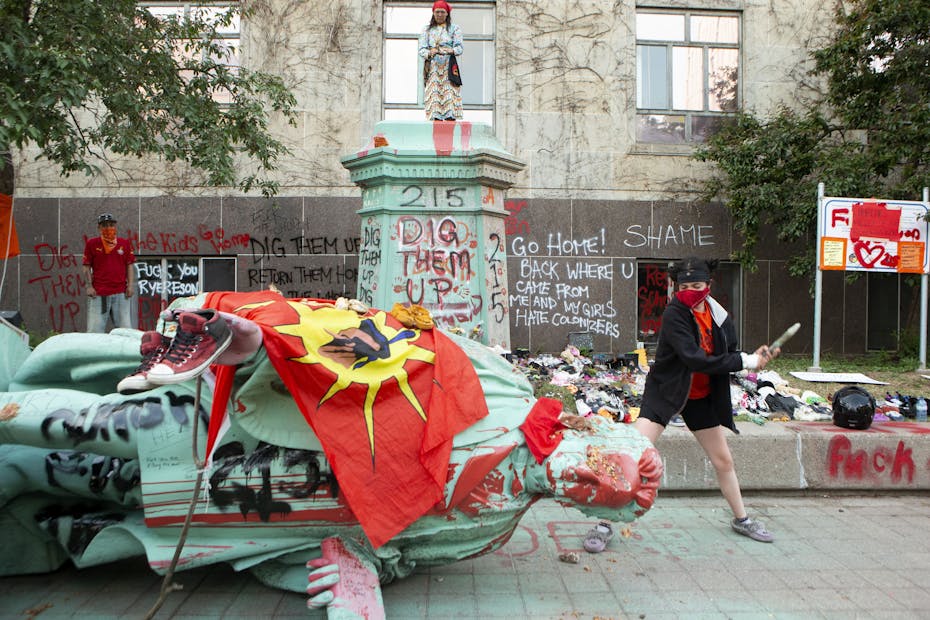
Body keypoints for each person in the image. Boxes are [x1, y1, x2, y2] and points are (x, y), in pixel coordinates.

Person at [583, 257, 779, 552]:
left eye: (697, 286)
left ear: (708, 286)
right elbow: (694, 358)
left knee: (723, 460)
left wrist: (755, 358)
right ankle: (603, 523)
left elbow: (729, 352)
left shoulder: (720, 316)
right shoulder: (674, 313)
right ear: (676, 287)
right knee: (632, 454)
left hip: (700, 397)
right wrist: (745, 361)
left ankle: (742, 519)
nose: (690, 291)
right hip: (666, 392)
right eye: (684, 286)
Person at [82, 212, 136, 332]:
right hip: (99, 293)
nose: (108, 228)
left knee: (125, 330)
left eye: (111, 224)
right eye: (104, 225)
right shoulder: (92, 244)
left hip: (121, 292)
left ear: (115, 226)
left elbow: (130, 265)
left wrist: (130, 286)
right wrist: (89, 286)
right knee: (95, 330)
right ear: (99, 228)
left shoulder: (124, 243)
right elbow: (86, 266)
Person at [418, 1, 463, 121]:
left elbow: (459, 48)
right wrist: (429, 53)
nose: (439, 15)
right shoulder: (426, 30)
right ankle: (435, 115)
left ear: (447, 14)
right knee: (434, 90)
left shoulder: (454, 29)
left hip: (449, 65)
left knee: (449, 89)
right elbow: (421, 49)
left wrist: (448, 51)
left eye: (442, 12)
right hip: (433, 65)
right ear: (433, 13)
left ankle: (450, 115)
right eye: (437, 12)